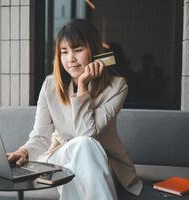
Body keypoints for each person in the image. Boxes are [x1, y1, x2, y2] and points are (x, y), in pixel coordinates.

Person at [7, 19, 143, 200]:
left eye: (78, 50)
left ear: (94, 51)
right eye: (64, 52)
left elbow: (86, 134)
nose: (70, 58)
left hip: (105, 162)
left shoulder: (117, 87)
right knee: (80, 151)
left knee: (82, 151)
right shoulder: (50, 85)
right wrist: (24, 151)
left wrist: (83, 86)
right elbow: (41, 136)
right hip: (60, 156)